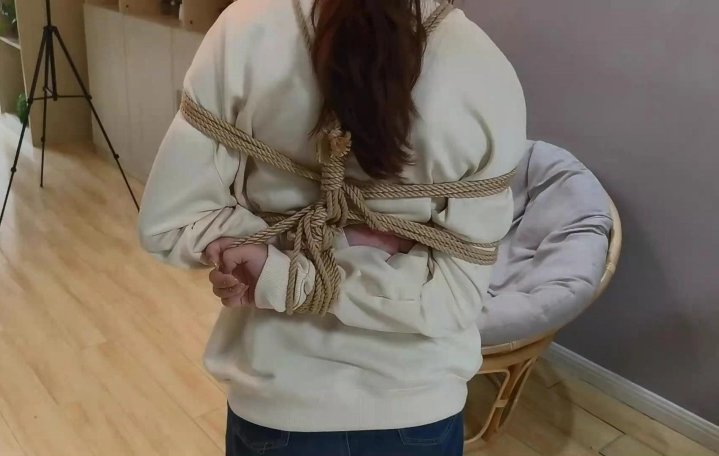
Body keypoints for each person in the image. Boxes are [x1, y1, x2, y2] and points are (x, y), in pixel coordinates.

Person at [138, 0, 526, 454]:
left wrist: (279, 269)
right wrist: (355, 249)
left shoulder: (246, 31)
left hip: (278, 398)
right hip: (419, 402)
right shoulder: (484, 71)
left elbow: (171, 222)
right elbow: (455, 296)